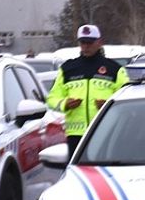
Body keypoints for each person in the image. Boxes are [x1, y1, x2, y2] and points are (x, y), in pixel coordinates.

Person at [45, 24, 128, 159]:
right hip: (76, 135)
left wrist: (109, 106)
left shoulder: (114, 69)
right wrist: (66, 103)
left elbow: (126, 99)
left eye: (90, 42)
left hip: (106, 131)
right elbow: (51, 99)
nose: (86, 46)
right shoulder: (68, 69)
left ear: (99, 42)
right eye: (83, 42)